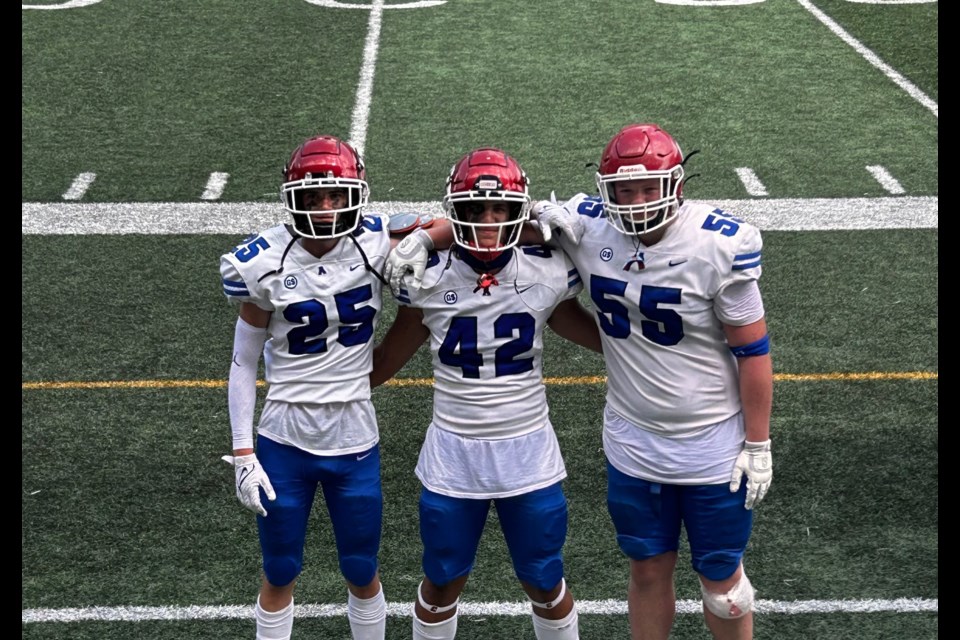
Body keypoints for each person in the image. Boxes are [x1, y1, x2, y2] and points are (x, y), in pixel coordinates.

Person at [386, 124, 774, 640]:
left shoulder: (721, 244)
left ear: (677, 185)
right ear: (604, 190)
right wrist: (426, 234)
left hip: (711, 439)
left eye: (648, 189)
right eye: (624, 191)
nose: (635, 203)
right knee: (647, 569)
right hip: (632, 438)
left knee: (725, 592)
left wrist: (758, 441)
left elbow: (754, 350)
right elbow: (494, 225)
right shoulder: (590, 225)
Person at [218, 134, 450, 640]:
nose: (325, 208)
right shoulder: (261, 260)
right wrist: (242, 452)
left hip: (354, 438)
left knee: (361, 568)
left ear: (356, 194)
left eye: (335, 195)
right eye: (313, 196)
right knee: (279, 569)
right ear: (291, 198)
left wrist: (426, 240)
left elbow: (457, 223)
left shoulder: (374, 239)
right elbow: (243, 361)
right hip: (283, 439)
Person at [371, 147, 601, 640]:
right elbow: (385, 359)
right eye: (476, 210)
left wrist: (652, 349)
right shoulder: (426, 276)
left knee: (544, 577)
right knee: (441, 579)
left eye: (501, 210)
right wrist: (328, 385)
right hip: (454, 451)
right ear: (458, 212)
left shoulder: (548, 268)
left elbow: (599, 329)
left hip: (528, 450)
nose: (489, 221)